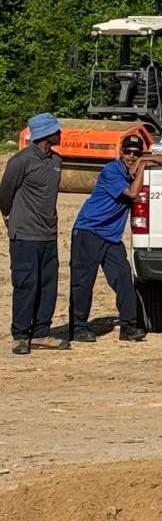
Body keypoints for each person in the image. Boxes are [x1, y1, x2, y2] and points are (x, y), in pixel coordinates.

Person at [69, 134, 162, 343]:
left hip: (111, 236)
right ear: (121, 152)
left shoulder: (136, 164)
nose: (131, 156)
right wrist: (144, 166)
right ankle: (78, 327)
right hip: (89, 230)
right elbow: (133, 194)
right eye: (128, 152)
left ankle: (128, 326)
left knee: (124, 278)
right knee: (83, 282)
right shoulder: (111, 171)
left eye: (136, 153)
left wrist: (144, 160)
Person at [1, 112, 69, 355]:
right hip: (25, 236)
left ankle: (42, 332)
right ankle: (20, 335)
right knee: (26, 284)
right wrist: (10, 219)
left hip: (48, 235)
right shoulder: (20, 161)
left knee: (48, 285)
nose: (61, 134)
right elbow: (5, 194)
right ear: (46, 134)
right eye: (57, 130)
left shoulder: (56, 161)